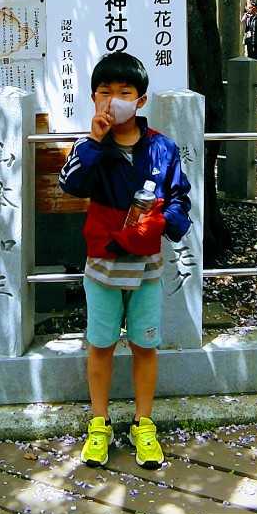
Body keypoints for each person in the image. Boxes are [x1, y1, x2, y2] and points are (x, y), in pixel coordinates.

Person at [59, 52, 191, 470]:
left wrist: (161, 222)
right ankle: (99, 423)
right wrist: (94, 141)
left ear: (141, 100)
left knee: (144, 346)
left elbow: (180, 198)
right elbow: (71, 185)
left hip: (147, 268)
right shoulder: (89, 147)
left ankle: (142, 424)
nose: (114, 100)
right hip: (102, 266)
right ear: (93, 98)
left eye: (124, 92)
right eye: (105, 92)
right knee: (100, 345)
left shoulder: (162, 148)